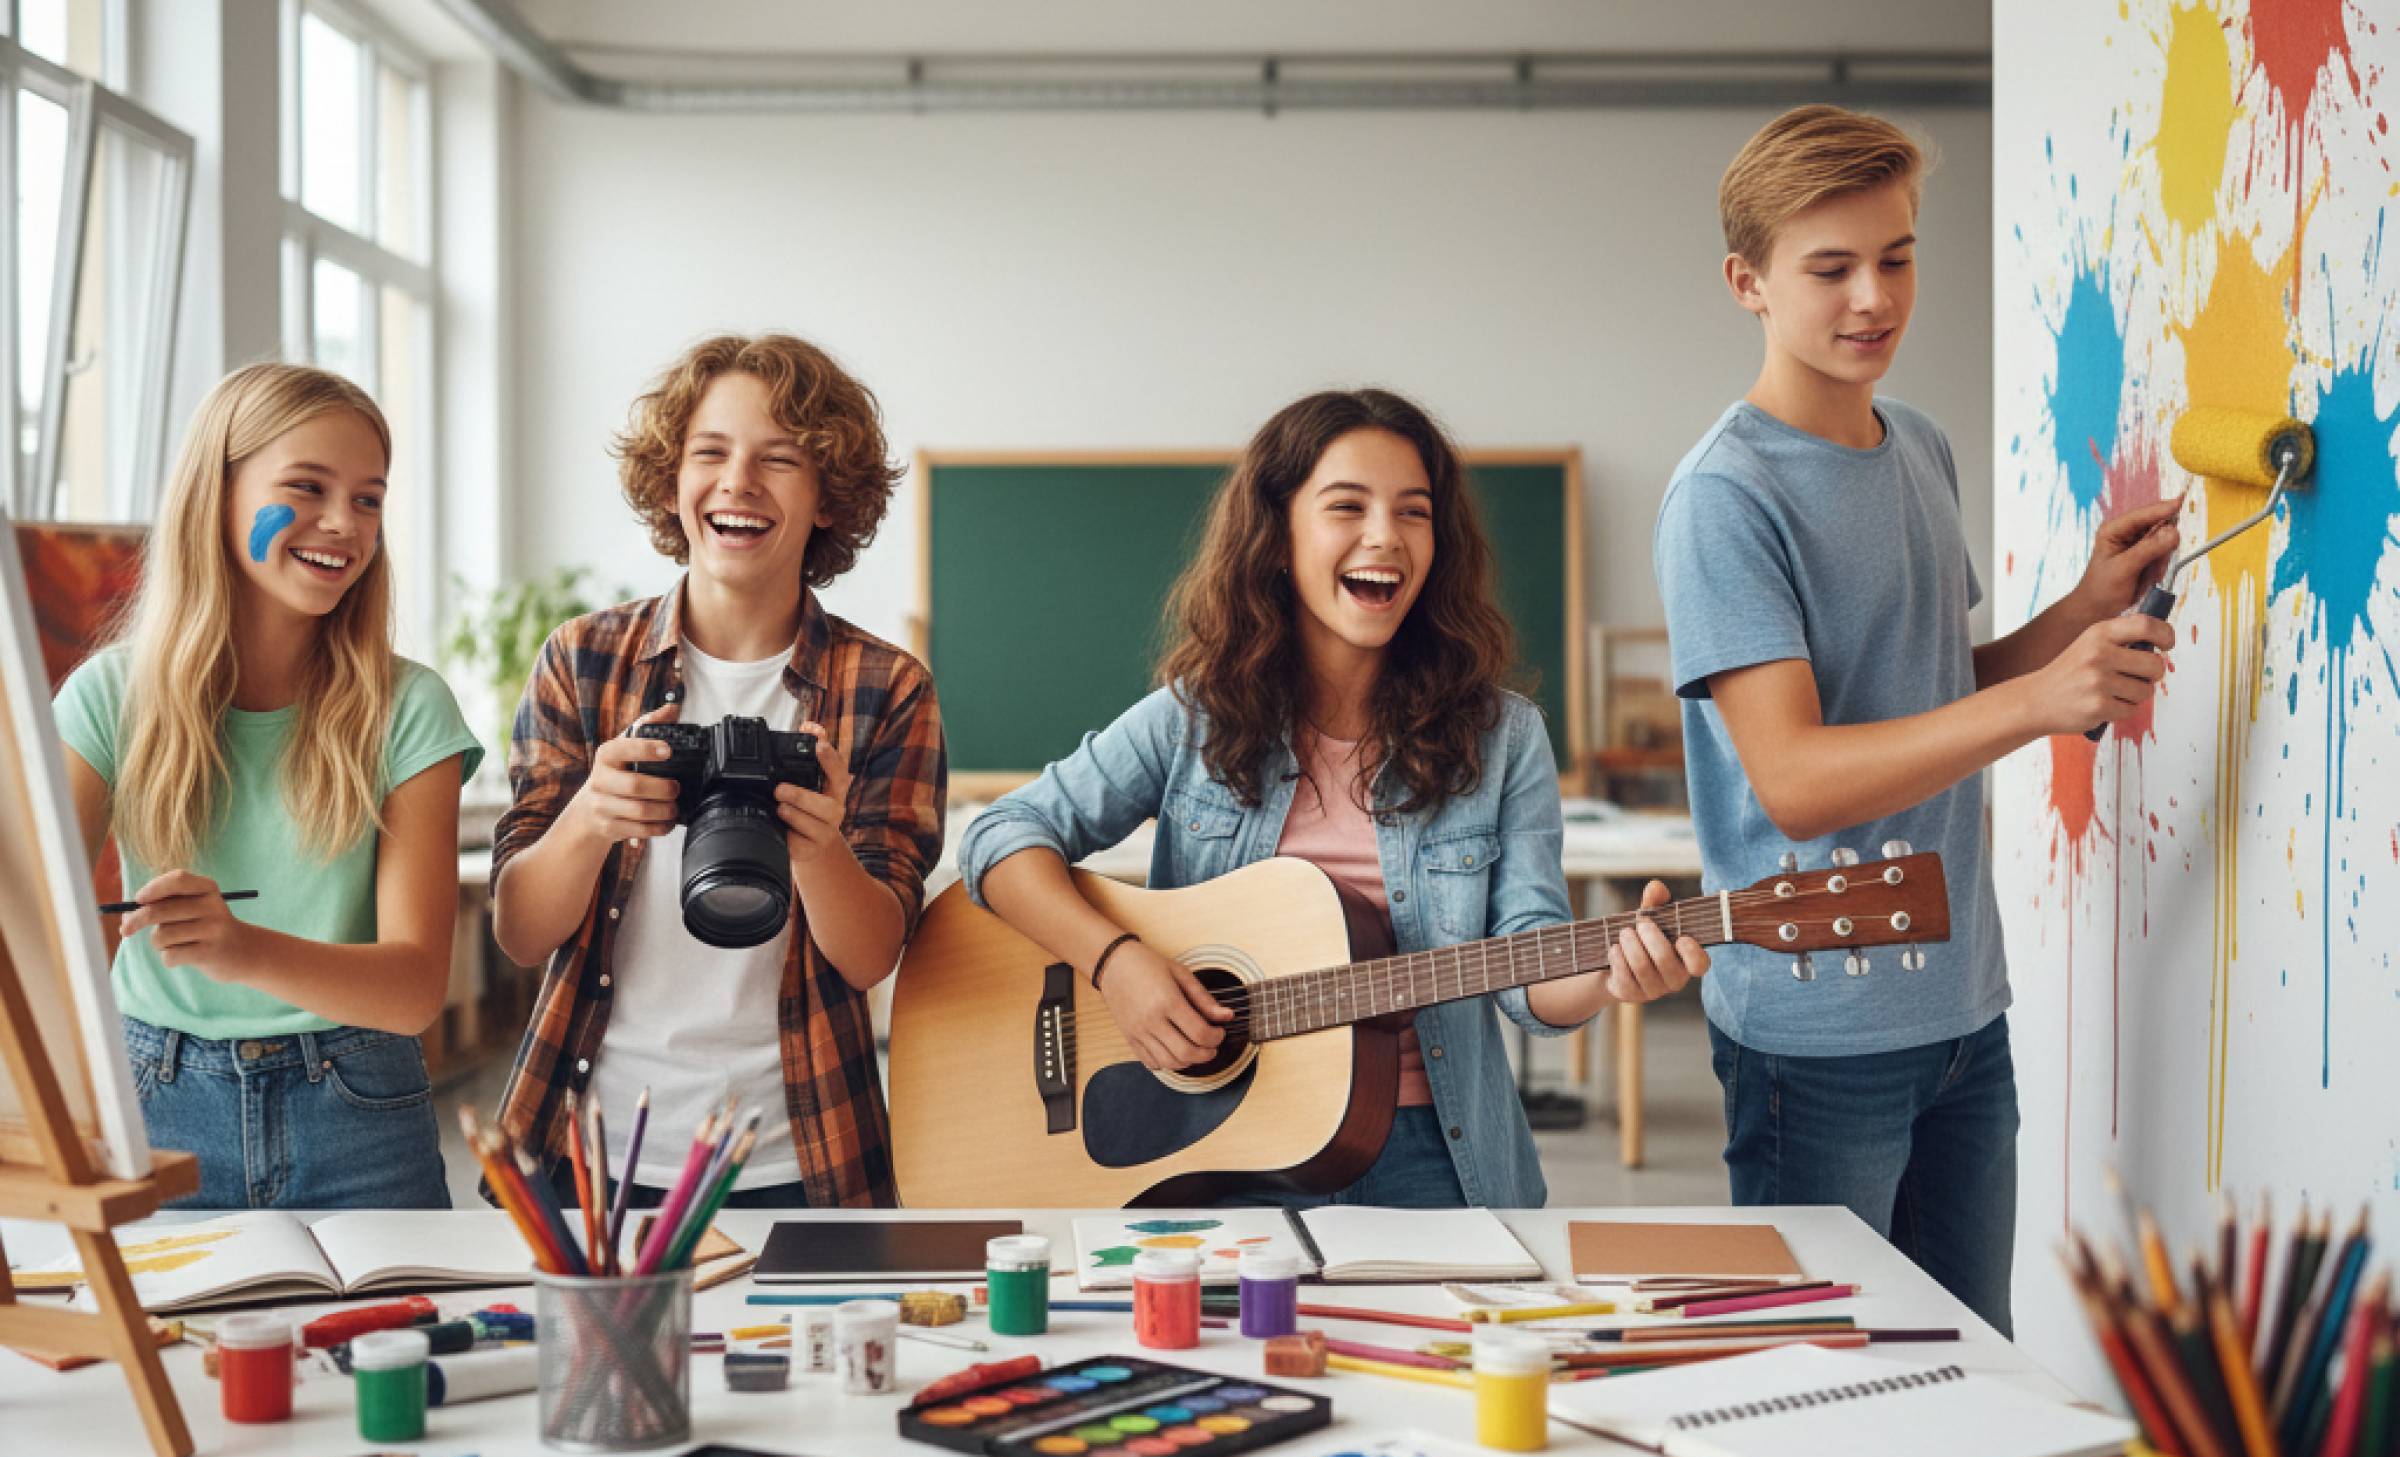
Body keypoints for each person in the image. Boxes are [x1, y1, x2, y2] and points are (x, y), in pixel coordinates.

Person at [1654, 106, 2182, 1333]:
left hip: (1961, 1011)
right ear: (1749, 282)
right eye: (1829, 267)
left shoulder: (1922, 445)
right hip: (1813, 1031)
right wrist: (2040, 703)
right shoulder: (1724, 497)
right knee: (1819, 1378)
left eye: (1894, 257)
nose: (1872, 297)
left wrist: (2078, 612)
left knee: (1974, 1371)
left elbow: (1937, 686)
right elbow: (1793, 777)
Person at [960, 387, 1706, 1210]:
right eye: (1346, 506)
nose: (1385, 536)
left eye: (1414, 512)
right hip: (1218, 1150)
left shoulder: (1505, 736)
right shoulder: (1193, 718)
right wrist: (1116, 963)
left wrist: (1610, 977)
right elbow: (1001, 836)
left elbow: (1527, 962)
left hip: (1433, 1157)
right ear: (1278, 536)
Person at [491, 333, 945, 1207]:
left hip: (796, 1155)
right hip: (589, 1150)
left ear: (826, 501)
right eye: (711, 452)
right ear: (671, 480)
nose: (740, 481)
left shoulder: (887, 688)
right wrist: (590, 817)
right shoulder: (583, 661)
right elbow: (519, 933)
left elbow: (871, 957)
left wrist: (817, 848)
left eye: (781, 460)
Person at [55, 363, 483, 1209]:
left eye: (368, 498)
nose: (343, 524)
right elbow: (33, 936)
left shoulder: (409, 707)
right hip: (157, 1108)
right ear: (214, 497)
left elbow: (411, 992)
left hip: (361, 1111)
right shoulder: (109, 697)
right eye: (307, 486)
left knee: (397, 1348)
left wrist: (243, 949)